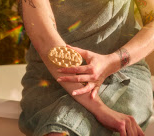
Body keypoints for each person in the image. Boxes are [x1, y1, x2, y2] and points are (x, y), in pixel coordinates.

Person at [18, 0, 154, 135]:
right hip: (50, 79)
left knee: (61, 130)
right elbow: (44, 39)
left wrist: (113, 61)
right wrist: (100, 109)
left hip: (121, 72)